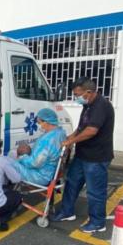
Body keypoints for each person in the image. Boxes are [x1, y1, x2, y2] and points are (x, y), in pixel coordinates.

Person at [51, 77, 115, 233]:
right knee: (72, 182)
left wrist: (72, 141)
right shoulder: (88, 106)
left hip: (97, 157)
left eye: (78, 94)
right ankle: (67, 212)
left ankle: (98, 222)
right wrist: (70, 139)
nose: (76, 98)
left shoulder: (101, 106)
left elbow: (91, 131)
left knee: (95, 191)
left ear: (89, 92)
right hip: (82, 155)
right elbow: (81, 128)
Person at [10, 108, 67, 186]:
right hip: (48, 171)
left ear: (47, 122)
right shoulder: (60, 133)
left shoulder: (47, 140)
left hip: (39, 175)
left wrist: (22, 158)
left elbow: (35, 163)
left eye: (39, 122)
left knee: (6, 162)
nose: (39, 125)